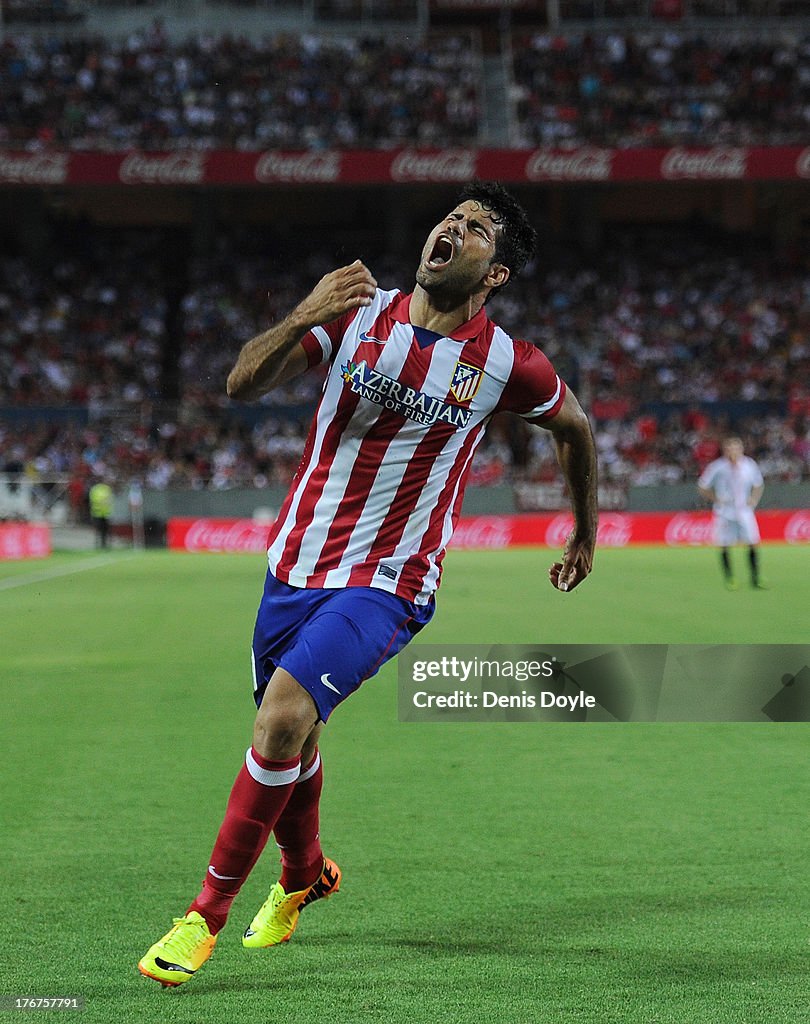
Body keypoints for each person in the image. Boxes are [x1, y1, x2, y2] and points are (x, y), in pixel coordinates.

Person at [138, 182, 598, 987]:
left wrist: (584, 528)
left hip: (390, 580)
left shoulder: (503, 364)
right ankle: (304, 873)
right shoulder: (357, 313)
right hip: (294, 564)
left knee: (280, 720)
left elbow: (575, 427)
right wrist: (303, 313)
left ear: (495, 274)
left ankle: (200, 917)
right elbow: (241, 385)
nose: (453, 230)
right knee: (297, 735)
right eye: (452, 218)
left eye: (477, 230)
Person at [698, 436, 766, 590]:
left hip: (744, 511)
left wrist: (754, 499)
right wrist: (716, 498)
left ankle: (755, 578)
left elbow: (758, 484)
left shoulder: (749, 465)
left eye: (736, 448)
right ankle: (730, 578)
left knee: (752, 542)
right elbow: (702, 486)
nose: (733, 451)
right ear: (725, 450)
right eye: (730, 448)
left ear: (741, 449)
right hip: (724, 512)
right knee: (724, 544)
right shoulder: (717, 467)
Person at [88, 479, 113, 549]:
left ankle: (101, 544)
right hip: (101, 513)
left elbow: (92, 500)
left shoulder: (95, 489)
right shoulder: (106, 489)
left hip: (99, 513)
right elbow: (109, 500)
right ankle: (101, 544)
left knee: (101, 530)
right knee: (102, 530)